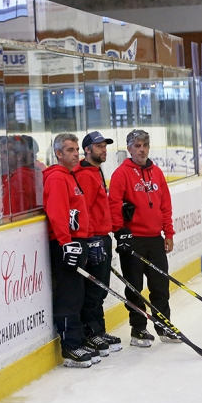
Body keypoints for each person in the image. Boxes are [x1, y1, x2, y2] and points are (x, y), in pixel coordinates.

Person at [108, 129, 178, 347]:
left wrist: (169, 232)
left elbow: (165, 204)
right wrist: (120, 232)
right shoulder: (121, 173)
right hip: (133, 240)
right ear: (129, 149)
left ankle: (164, 325)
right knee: (134, 287)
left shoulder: (156, 172)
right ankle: (138, 329)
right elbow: (113, 205)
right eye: (137, 145)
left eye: (144, 145)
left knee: (160, 286)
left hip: (155, 239)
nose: (141, 149)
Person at [43, 133, 97, 368]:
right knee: (68, 295)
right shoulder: (57, 178)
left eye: (76, 150)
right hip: (66, 245)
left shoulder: (70, 176)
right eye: (70, 150)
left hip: (77, 242)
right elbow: (57, 212)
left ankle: (77, 340)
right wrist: (66, 242)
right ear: (58, 154)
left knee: (78, 295)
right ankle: (70, 347)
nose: (76, 154)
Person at [74, 131, 123, 356]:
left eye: (105, 146)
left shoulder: (95, 170)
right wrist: (91, 238)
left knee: (100, 288)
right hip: (94, 239)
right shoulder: (84, 174)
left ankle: (98, 330)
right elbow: (83, 210)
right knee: (94, 290)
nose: (104, 150)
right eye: (99, 146)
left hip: (101, 237)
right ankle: (90, 332)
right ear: (87, 150)